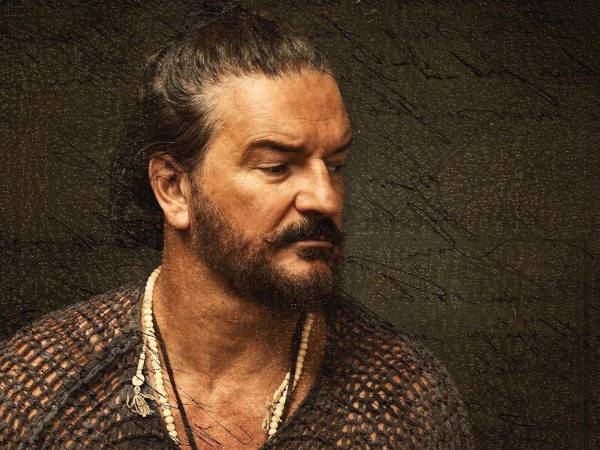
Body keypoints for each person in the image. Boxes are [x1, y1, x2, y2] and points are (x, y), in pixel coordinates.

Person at [0, 10, 473, 450]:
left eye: (335, 164)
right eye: (276, 166)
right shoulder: (35, 390)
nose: (326, 199)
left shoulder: (404, 399)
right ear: (173, 188)